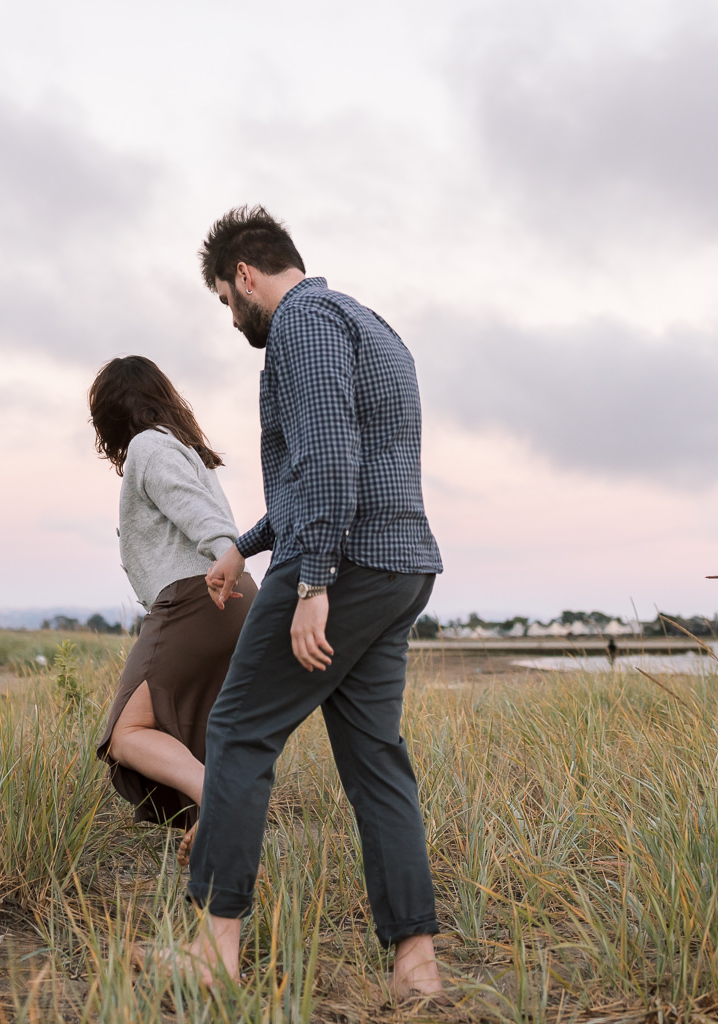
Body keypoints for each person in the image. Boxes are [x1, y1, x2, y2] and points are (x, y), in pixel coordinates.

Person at [180, 206, 446, 1000]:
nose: (233, 319)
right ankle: (416, 966)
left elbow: (329, 453)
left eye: (227, 302)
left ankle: (211, 953)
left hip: (346, 565)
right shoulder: (368, 323)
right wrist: (245, 543)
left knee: (236, 732)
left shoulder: (300, 324)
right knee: (375, 762)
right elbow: (338, 463)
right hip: (401, 567)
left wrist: (314, 583)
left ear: (245, 275)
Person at [89, 356, 257, 859]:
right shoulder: (184, 449)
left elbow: (197, 512)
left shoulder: (149, 446)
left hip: (196, 597)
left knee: (128, 733)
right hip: (230, 595)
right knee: (194, 730)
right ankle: (218, 846)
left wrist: (226, 550)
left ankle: (217, 799)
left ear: (110, 413)